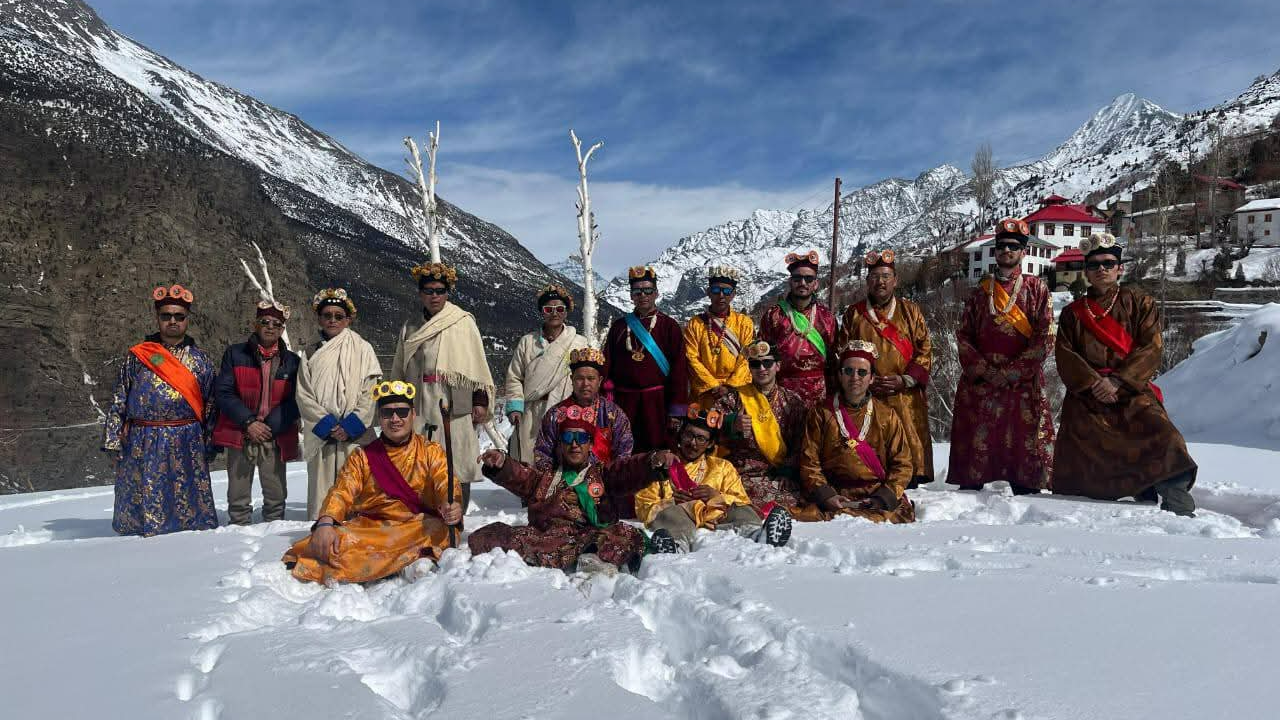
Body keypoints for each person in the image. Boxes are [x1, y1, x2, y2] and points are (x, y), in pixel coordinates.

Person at [1053, 233, 1198, 515]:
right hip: (1088, 393)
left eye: (1108, 263)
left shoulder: (1140, 302)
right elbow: (1065, 355)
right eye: (1094, 265)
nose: (1101, 269)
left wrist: (1118, 380)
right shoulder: (1072, 313)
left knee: (1163, 433)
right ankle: (1118, 496)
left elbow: (1151, 347)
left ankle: (1174, 495)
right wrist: (1095, 384)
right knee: (1085, 438)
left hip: (1130, 387)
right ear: (1086, 271)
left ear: (1120, 268)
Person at [283, 381, 462, 583]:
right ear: (379, 418)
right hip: (373, 529)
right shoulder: (362, 456)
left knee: (440, 530)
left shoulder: (431, 451)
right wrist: (326, 522)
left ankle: (391, 563)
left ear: (413, 414)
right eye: (387, 413)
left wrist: (450, 503)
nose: (395, 419)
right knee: (332, 540)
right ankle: (409, 560)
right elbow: (341, 491)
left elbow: (444, 481)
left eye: (402, 412)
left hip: (418, 525)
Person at [947, 218, 1055, 494]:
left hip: (1021, 383)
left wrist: (1012, 372)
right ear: (995, 251)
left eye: (1014, 247)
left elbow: (1046, 336)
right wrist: (985, 369)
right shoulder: (979, 293)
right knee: (974, 465)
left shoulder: (1037, 289)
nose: (1007, 251)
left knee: (1024, 453)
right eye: (1002, 246)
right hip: (982, 383)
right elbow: (963, 336)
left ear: (1023, 252)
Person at [470, 408, 650, 573]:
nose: (574, 444)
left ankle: (593, 560)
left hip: (590, 536)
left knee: (615, 536)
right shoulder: (544, 477)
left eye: (581, 439)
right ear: (560, 445)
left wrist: (652, 461)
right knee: (494, 536)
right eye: (567, 438)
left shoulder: (604, 475)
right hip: (547, 538)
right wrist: (502, 463)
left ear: (590, 444)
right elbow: (520, 475)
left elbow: (629, 470)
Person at [102, 284, 219, 536]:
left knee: (186, 494)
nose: (173, 321)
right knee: (146, 489)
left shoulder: (201, 360)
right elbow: (120, 396)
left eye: (179, 316)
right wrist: (113, 439)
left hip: (187, 439)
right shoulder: (137, 357)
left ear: (187, 319)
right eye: (166, 316)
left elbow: (210, 404)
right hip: (143, 438)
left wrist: (210, 441)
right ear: (158, 318)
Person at [391, 261, 495, 511]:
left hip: (454, 400)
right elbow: (399, 366)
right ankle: (424, 516)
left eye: (439, 290)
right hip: (419, 400)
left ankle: (456, 517)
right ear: (420, 293)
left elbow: (477, 365)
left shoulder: (462, 321)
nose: (434, 296)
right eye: (429, 290)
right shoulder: (411, 326)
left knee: (457, 459)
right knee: (419, 460)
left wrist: (480, 401)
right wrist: (395, 400)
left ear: (447, 293)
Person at [633, 406, 793, 553]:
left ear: (710, 444)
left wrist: (717, 496)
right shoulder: (663, 463)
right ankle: (676, 546)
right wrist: (671, 502)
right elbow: (644, 504)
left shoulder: (722, 467)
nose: (693, 442)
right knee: (671, 513)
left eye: (701, 439)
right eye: (689, 435)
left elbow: (741, 499)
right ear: (681, 436)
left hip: (717, 517)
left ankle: (757, 535)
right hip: (680, 519)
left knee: (741, 508)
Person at [837, 250, 934, 488]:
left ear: (895, 280)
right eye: (875, 276)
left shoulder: (911, 311)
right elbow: (842, 352)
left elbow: (925, 349)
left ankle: (911, 479)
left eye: (885, 276)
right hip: (867, 393)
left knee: (908, 446)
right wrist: (862, 379)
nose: (880, 281)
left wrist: (905, 379)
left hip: (904, 393)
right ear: (867, 281)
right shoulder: (854, 314)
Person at [793, 340, 915, 523]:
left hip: (874, 497)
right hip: (834, 495)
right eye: (848, 371)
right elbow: (809, 461)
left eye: (862, 372)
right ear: (840, 375)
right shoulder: (821, 413)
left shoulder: (887, 415)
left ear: (872, 377)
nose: (855, 377)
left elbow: (903, 464)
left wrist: (881, 498)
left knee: (889, 516)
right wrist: (827, 496)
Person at [295, 289, 382, 520]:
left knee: (354, 488)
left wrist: (349, 426)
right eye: (327, 315)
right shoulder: (311, 351)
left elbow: (370, 392)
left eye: (338, 316)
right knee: (322, 493)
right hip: (323, 432)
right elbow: (303, 394)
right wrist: (327, 424)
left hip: (352, 434)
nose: (332, 320)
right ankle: (321, 529)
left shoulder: (363, 348)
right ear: (319, 318)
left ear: (348, 319)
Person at [212, 300, 301, 525]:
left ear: (282, 329)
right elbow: (223, 392)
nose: (270, 327)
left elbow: (296, 400)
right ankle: (238, 533)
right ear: (255, 325)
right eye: (265, 322)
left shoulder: (292, 362)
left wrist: (270, 426)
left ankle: (272, 533)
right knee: (238, 495)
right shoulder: (235, 354)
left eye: (276, 323)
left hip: (274, 434)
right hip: (240, 431)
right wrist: (249, 422)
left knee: (275, 493)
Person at [711, 341, 808, 509]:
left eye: (767, 362)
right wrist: (731, 424)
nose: (762, 368)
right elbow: (709, 428)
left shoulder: (792, 401)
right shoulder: (734, 399)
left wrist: (788, 471)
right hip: (744, 472)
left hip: (781, 472)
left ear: (777, 366)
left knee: (800, 497)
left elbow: (802, 441)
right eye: (755, 364)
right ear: (750, 368)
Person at [603, 265, 689, 451]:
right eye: (637, 291)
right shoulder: (619, 328)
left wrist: (676, 411)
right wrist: (605, 402)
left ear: (656, 293)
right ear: (631, 295)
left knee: (658, 453)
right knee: (624, 451)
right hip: (624, 403)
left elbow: (679, 370)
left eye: (648, 290)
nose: (643, 295)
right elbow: (606, 365)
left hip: (658, 403)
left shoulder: (669, 326)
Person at [502, 284, 590, 464]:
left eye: (559, 309)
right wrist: (515, 407)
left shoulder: (579, 342)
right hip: (532, 411)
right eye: (548, 309)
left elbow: (587, 378)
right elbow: (515, 377)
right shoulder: (527, 342)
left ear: (566, 312)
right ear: (542, 311)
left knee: (565, 461)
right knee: (530, 461)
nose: (554, 313)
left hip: (567, 411)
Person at [758, 250, 837, 407]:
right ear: (790, 281)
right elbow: (762, 356)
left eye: (808, 279)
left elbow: (834, 361)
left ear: (816, 283)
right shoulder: (774, 315)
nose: (803, 283)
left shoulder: (826, 318)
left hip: (819, 394)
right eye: (797, 278)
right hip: (781, 394)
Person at [683, 265, 754, 405]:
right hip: (705, 393)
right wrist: (713, 385)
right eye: (716, 290)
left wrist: (729, 386)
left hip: (736, 391)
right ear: (708, 292)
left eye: (726, 291)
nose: (721, 295)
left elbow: (746, 357)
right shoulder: (695, 324)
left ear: (733, 294)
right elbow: (691, 357)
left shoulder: (744, 323)